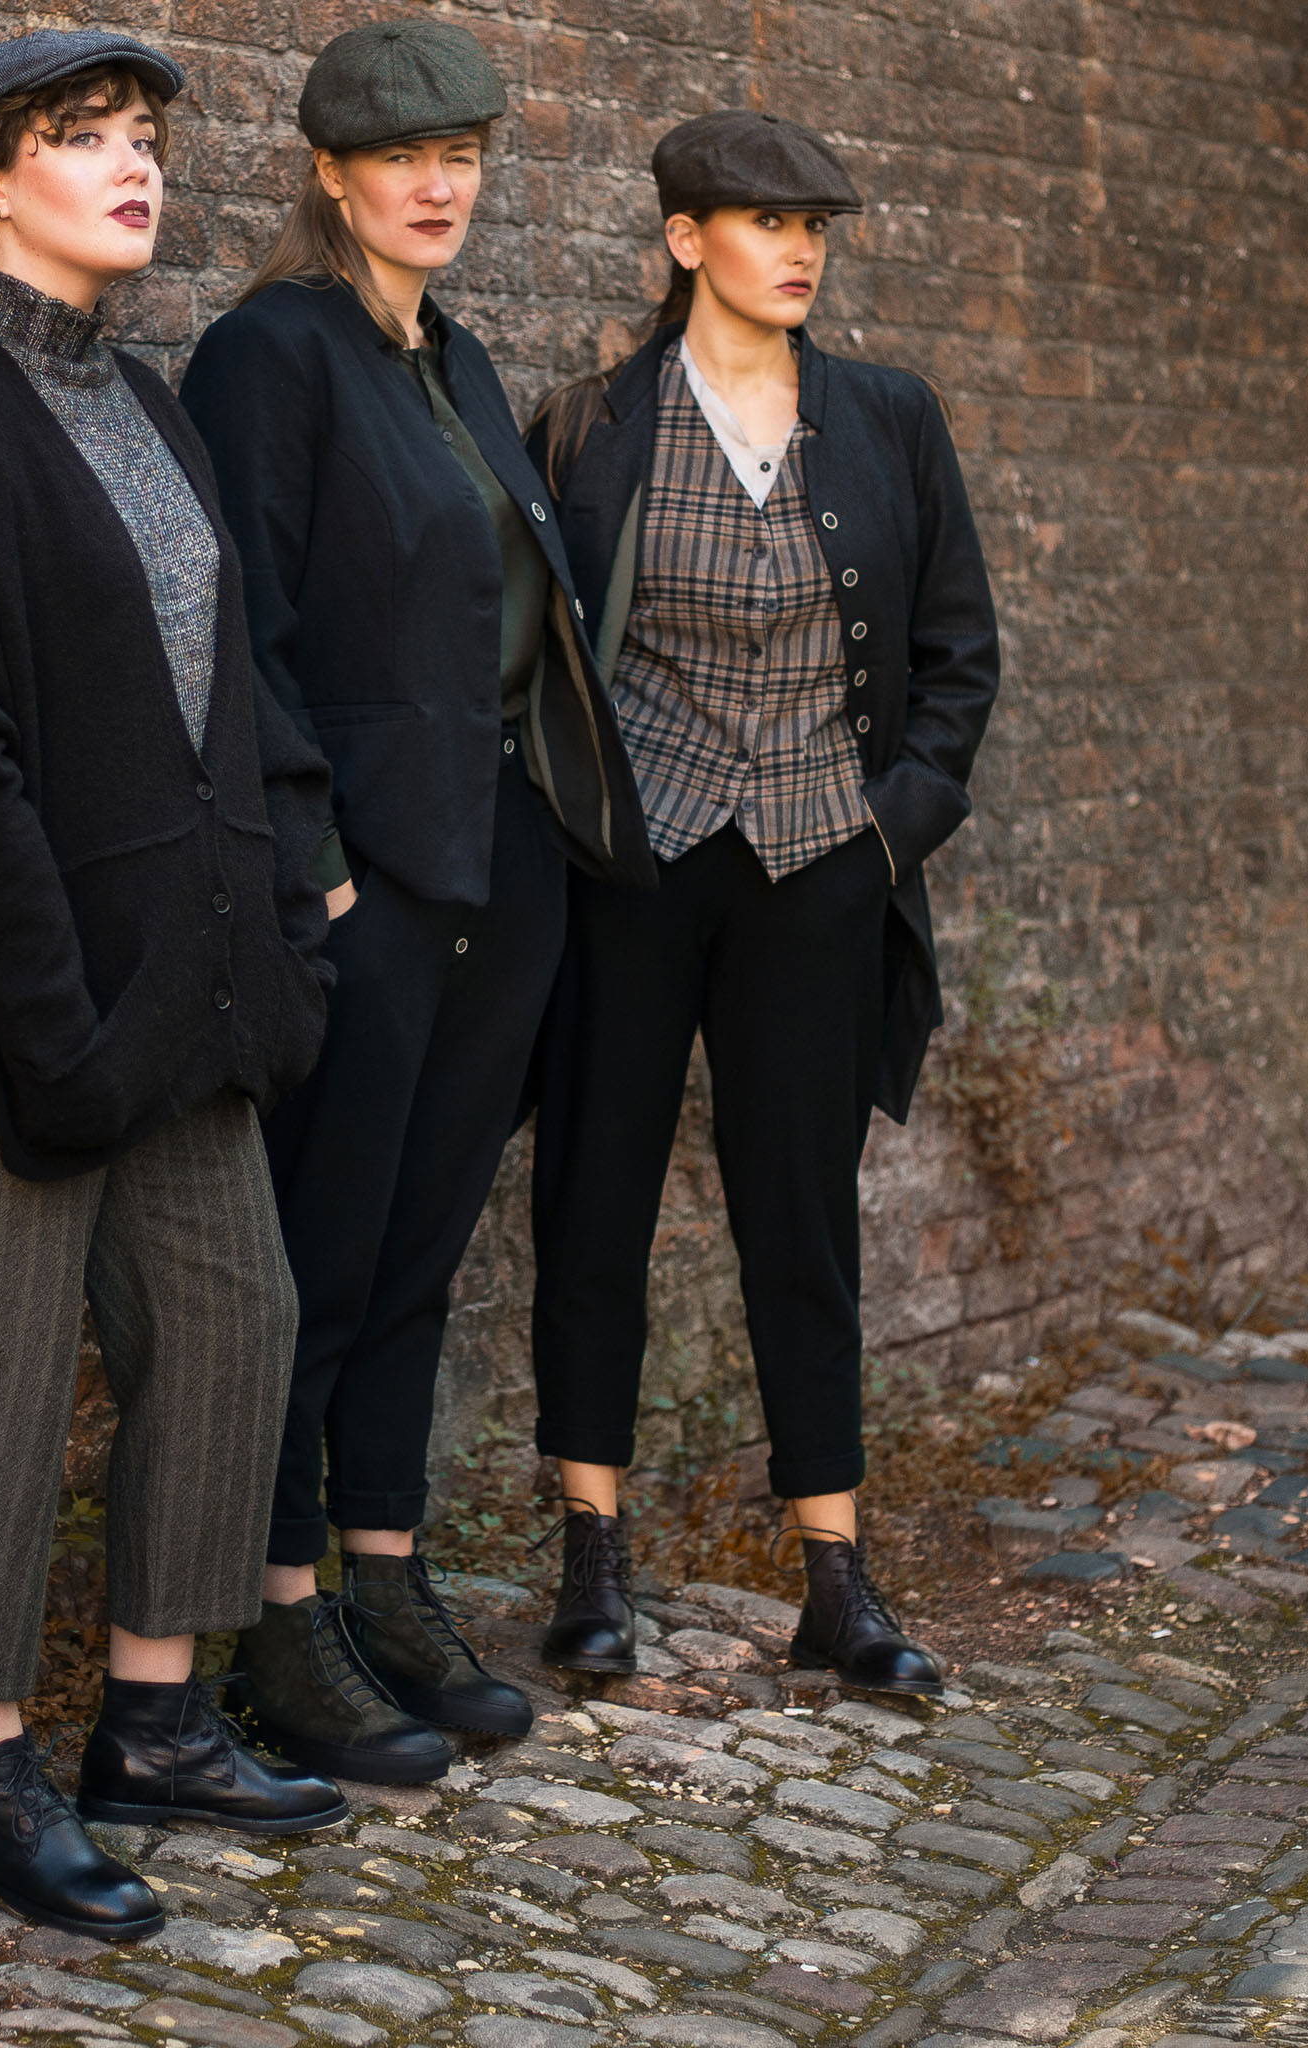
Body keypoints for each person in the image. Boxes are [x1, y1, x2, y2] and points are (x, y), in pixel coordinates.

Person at [0, 28, 348, 1939]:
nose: (133, 167)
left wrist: (288, 913)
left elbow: (228, 695)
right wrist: (38, 1016)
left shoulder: (148, 398)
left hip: (176, 986)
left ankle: (156, 1724)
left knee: (234, 1323)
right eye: (83, 139)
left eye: (144, 140)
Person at [181, 21, 650, 1782]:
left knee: (420, 1255)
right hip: (365, 888)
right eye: (400, 156)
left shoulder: (454, 361)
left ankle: (386, 1575)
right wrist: (320, 867)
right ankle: (278, 1617)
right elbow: (246, 644)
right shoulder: (269, 357)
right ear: (329, 174)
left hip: (500, 878)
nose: (438, 182)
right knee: (316, 1255)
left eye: (461, 151)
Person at [523, 111, 1001, 1693]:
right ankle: (593, 1554)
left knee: (801, 1214)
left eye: (818, 228)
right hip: (641, 864)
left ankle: (836, 1574)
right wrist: (583, 830)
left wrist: (885, 836)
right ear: (684, 241)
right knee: (596, 1191)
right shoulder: (591, 425)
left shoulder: (885, 419)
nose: (799, 250)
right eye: (762, 222)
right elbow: (539, 667)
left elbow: (957, 660)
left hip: (817, 869)